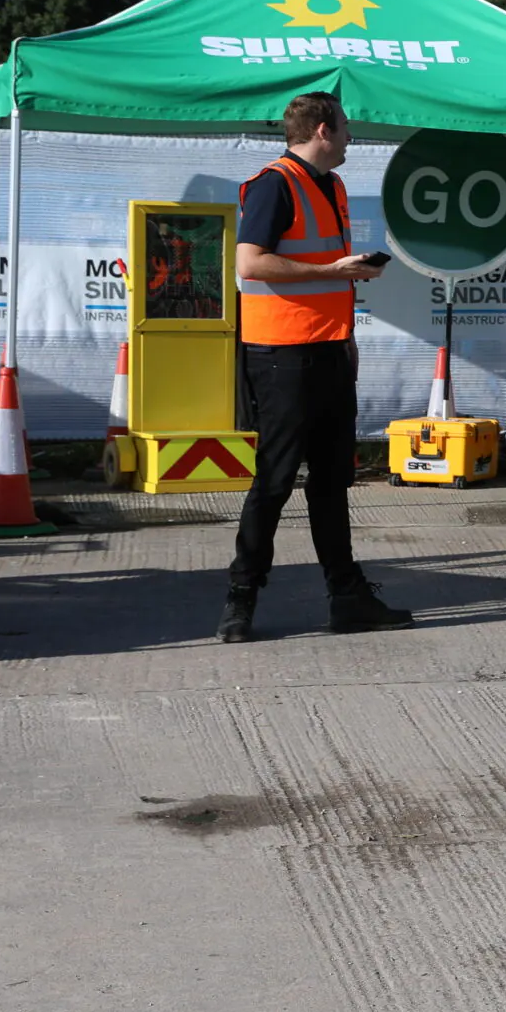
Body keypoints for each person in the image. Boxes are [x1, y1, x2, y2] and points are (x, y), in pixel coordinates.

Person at [217, 93, 413, 643]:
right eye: (346, 127)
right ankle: (240, 599)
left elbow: (324, 276)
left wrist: (346, 326)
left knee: (332, 481)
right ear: (323, 130)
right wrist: (332, 268)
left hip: (328, 350)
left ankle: (347, 598)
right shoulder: (274, 183)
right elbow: (250, 264)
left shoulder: (333, 186)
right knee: (275, 481)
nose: (352, 137)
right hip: (281, 354)